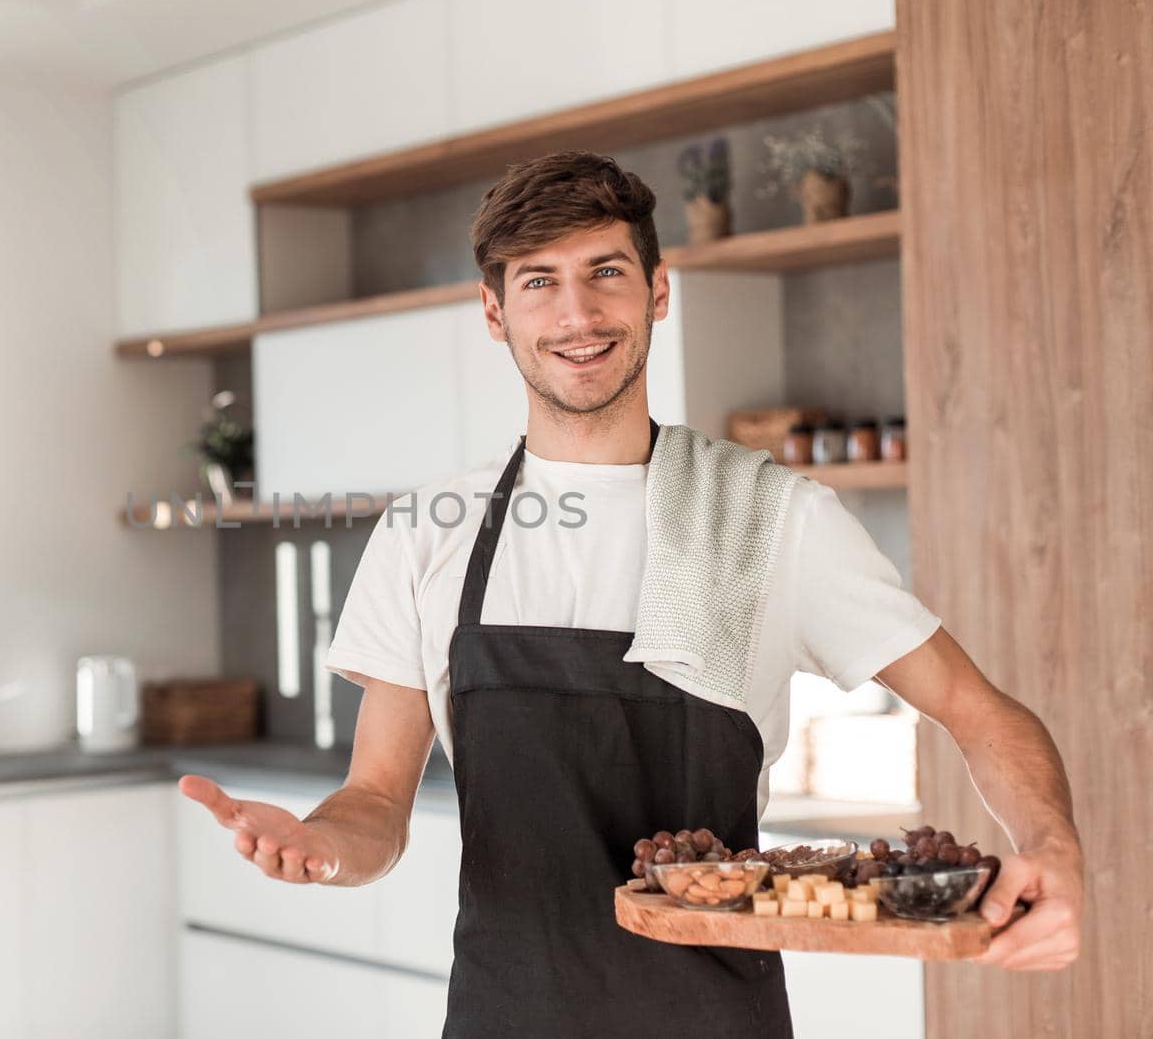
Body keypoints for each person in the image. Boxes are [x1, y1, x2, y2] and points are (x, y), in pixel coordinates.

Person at [178, 151, 1083, 1035]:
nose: (577, 313)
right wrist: (320, 847)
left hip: (715, 1018)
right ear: (494, 312)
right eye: (539, 281)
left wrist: (1054, 849)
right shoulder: (428, 531)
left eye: (606, 271)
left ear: (658, 289)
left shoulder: (771, 515)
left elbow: (982, 711)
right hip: (504, 1014)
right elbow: (375, 800)